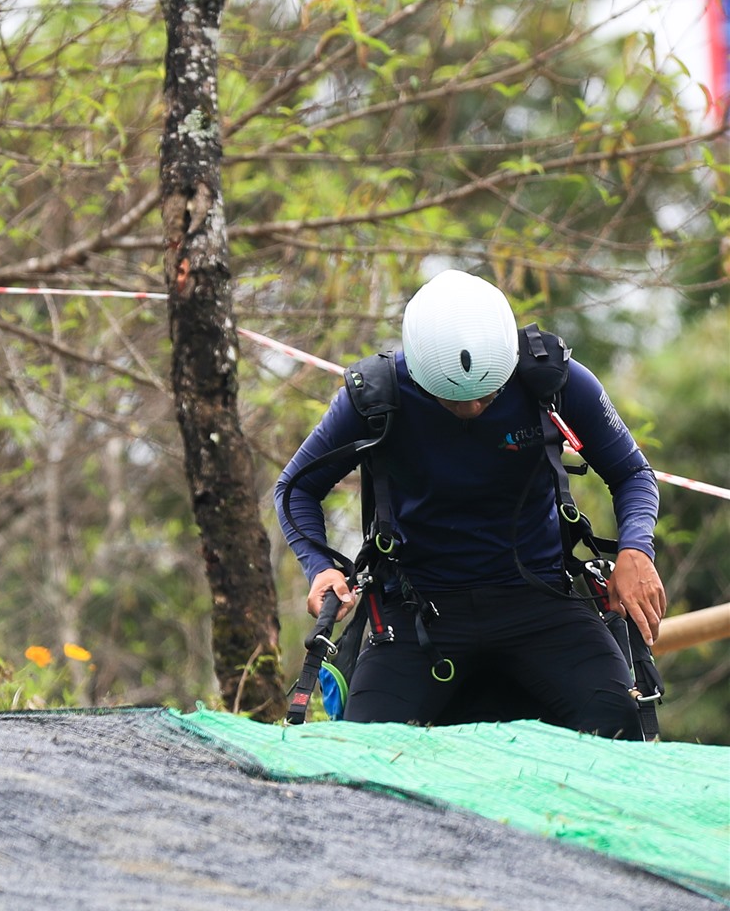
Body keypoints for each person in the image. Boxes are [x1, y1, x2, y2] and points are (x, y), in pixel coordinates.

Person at [274, 269, 665, 737]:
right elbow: (296, 488)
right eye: (454, 401)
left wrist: (636, 551)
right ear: (419, 372)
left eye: (488, 395)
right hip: (418, 611)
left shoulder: (553, 381)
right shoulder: (377, 396)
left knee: (620, 727)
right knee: (365, 754)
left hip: (539, 600)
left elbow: (631, 472)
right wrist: (320, 567)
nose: (474, 409)